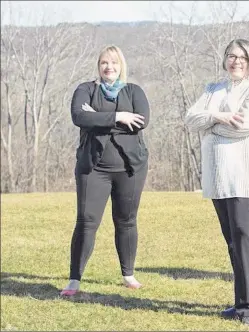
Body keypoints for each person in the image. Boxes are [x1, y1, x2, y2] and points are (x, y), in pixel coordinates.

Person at [184, 38, 249, 325]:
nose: (235, 61)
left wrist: (210, 128)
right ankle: (240, 303)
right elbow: (190, 119)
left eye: (241, 57)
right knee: (233, 241)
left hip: (248, 177)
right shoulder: (213, 89)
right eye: (231, 56)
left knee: (246, 239)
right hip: (220, 179)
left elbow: (247, 124)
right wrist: (217, 116)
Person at [61, 45, 150, 296]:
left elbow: (141, 122)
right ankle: (74, 280)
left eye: (114, 63)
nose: (109, 67)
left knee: (126, 221)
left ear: (122, 66)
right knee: (86, 222)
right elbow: (79, 117)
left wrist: (98, 118)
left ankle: (128, 274)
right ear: (98, 66)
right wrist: (118, 117)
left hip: (130, 169)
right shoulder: (85, 90)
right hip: (93, 168)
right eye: (104, 63)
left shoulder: (134, 91)